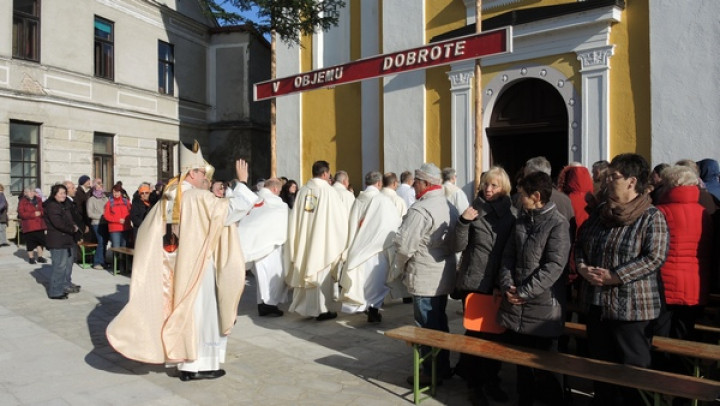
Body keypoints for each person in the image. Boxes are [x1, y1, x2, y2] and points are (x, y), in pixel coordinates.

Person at [107, 141, 257, 381]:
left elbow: (147, 230)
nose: (205, 180)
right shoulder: (197, 197)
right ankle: (195, 365)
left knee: (181, 310)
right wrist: (242, 183)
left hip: (173, 267)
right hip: (197, 266)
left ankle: (182, 362)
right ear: (193, 173)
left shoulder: (167, 198)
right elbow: (231, 211)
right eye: (203, 174)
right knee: (201, 314)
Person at [575, 153, 669, 405]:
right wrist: (583, 268)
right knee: (602, 373)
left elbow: (655, 257)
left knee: (634, 377)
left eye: (614, 176)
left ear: (631, 181)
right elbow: (580, 245)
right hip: (597, 305)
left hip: (632, 309)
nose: (606, 181)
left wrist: (615, 276)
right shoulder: (599, 214)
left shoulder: (651, 217)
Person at [497, 172, 571, 406]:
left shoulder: (558, 224)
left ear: (536, 196)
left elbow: (554, 266)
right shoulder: (521, 220)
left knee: (544, 366)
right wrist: (508, 284)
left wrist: (524, 292)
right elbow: (508, 256)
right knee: (522, 364)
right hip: (517, 302)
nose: (518, 199)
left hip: (542, 308)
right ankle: (524, 400)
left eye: (522, 195)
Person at [452, 166, 516, 404]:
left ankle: (492, 379)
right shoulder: (473, 210)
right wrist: (462, 222)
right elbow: (457, 246)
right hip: (476, 282)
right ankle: (474, 384)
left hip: (498, 283)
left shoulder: (512, 214)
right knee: (476, 335)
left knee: (497, 337)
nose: (488, 189)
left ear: (504, 188)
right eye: (486, 184)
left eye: (494, 185)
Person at [393, 163, 458, 385]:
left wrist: (397, 269)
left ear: (427, 184)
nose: (413, 186)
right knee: (439, 323)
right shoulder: (449, 206)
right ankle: (442, 367)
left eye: (417, 182)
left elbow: (404, 245)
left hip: (424, 276)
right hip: (443, 274)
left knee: (425, 327)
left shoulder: (421, 209)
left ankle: (429, 372)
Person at [653, 165, 713, 374]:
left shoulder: (660, 211)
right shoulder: (704, 212)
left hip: (665, 283)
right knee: (683, 339)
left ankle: (661, 389)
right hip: (696, 284)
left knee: (661, 340)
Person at [286, 160, 349, 321]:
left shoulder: (303, 191)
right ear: (325, 173)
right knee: (321, 275)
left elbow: (295, 218)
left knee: (306, 268)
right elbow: (339, 219)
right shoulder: (328, 192)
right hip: (323, 242)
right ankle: (322, 310)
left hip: (305, 240)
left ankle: (306, 309)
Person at [340, 171, 402, 323]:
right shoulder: (382, 200)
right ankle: (373, 310)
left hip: (359, 249)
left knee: (364, 282)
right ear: (379, 183)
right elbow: (392, 225)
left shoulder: (358, 199)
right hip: (377, 250)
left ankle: (367, 308)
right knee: (377, 283)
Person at [238, 178, 290, 317]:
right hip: (271, 245)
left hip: (257, 244)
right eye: (279, 191)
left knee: (262, 277)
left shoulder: (254, 199)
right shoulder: (276, 203)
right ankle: (270, 305)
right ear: (274, 189)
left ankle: (262, 304)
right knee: (273, 275)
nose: (279, 193)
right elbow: (283, 219)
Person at [44, 184, 80, 299]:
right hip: (57, 240)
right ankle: (55, 291)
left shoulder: (62, 205)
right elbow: (58, 223)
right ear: (54, 194)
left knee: (64, 266)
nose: (63, 195)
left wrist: (74, 226)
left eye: (64, 193)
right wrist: (72, 228)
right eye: (61, 193)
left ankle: (62, 287)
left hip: (66, 240)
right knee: (59, 267)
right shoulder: (52, 206)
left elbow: (69, 219)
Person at [62, 180, 85, 292]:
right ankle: (65, 283)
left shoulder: (71, 201)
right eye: (72, 188)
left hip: (74, 235)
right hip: (69, 236)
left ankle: (68, 281)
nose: (75, 190)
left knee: (70, 261)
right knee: (67, 261)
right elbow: (71, 219)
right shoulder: (66, 203)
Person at [17, 187, 48, 264]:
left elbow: (44, 209)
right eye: (29, 191)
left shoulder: (39, 199)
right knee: (30, 243)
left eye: (33, 191)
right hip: (29, 226)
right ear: (25, 193)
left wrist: (41, 213)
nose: (31, 193)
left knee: (40, 242)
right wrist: (33, 214)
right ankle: (31, 258)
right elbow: (21, 213)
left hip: (39, 224)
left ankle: (40, 257)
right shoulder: (22, 201)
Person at [87, 180, 109, 270]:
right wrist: (101, 217)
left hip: (106, 223)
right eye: (98, 185)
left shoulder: (105, 198)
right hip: (96, 223)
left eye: (101, 185)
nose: (100, 186)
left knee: (104, 243)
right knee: (100, 242)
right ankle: (96, 262)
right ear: (94, 187)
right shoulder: (91, 200)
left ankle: (102, 261)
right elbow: (90, 214)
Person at [104, 184, 132, 250]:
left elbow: (131, 212)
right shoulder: (109, 203)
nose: (116, 194)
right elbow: (106, 216)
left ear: (120, 192)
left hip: (125, 228)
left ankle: (122, 260)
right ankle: (115, 260)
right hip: (114, 229)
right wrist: (117, 220)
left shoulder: (126, 202)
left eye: (117, 192)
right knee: (116, 247)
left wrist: (127, 220)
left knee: (125, 247)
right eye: (114, 192)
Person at [75, 175, 93, 240]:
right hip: (82, 218)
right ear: (83, 182)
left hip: (85, 218)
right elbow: (79, 206)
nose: (89, 182)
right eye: (88, 181)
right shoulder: (78, 192)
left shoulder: (86, 191)